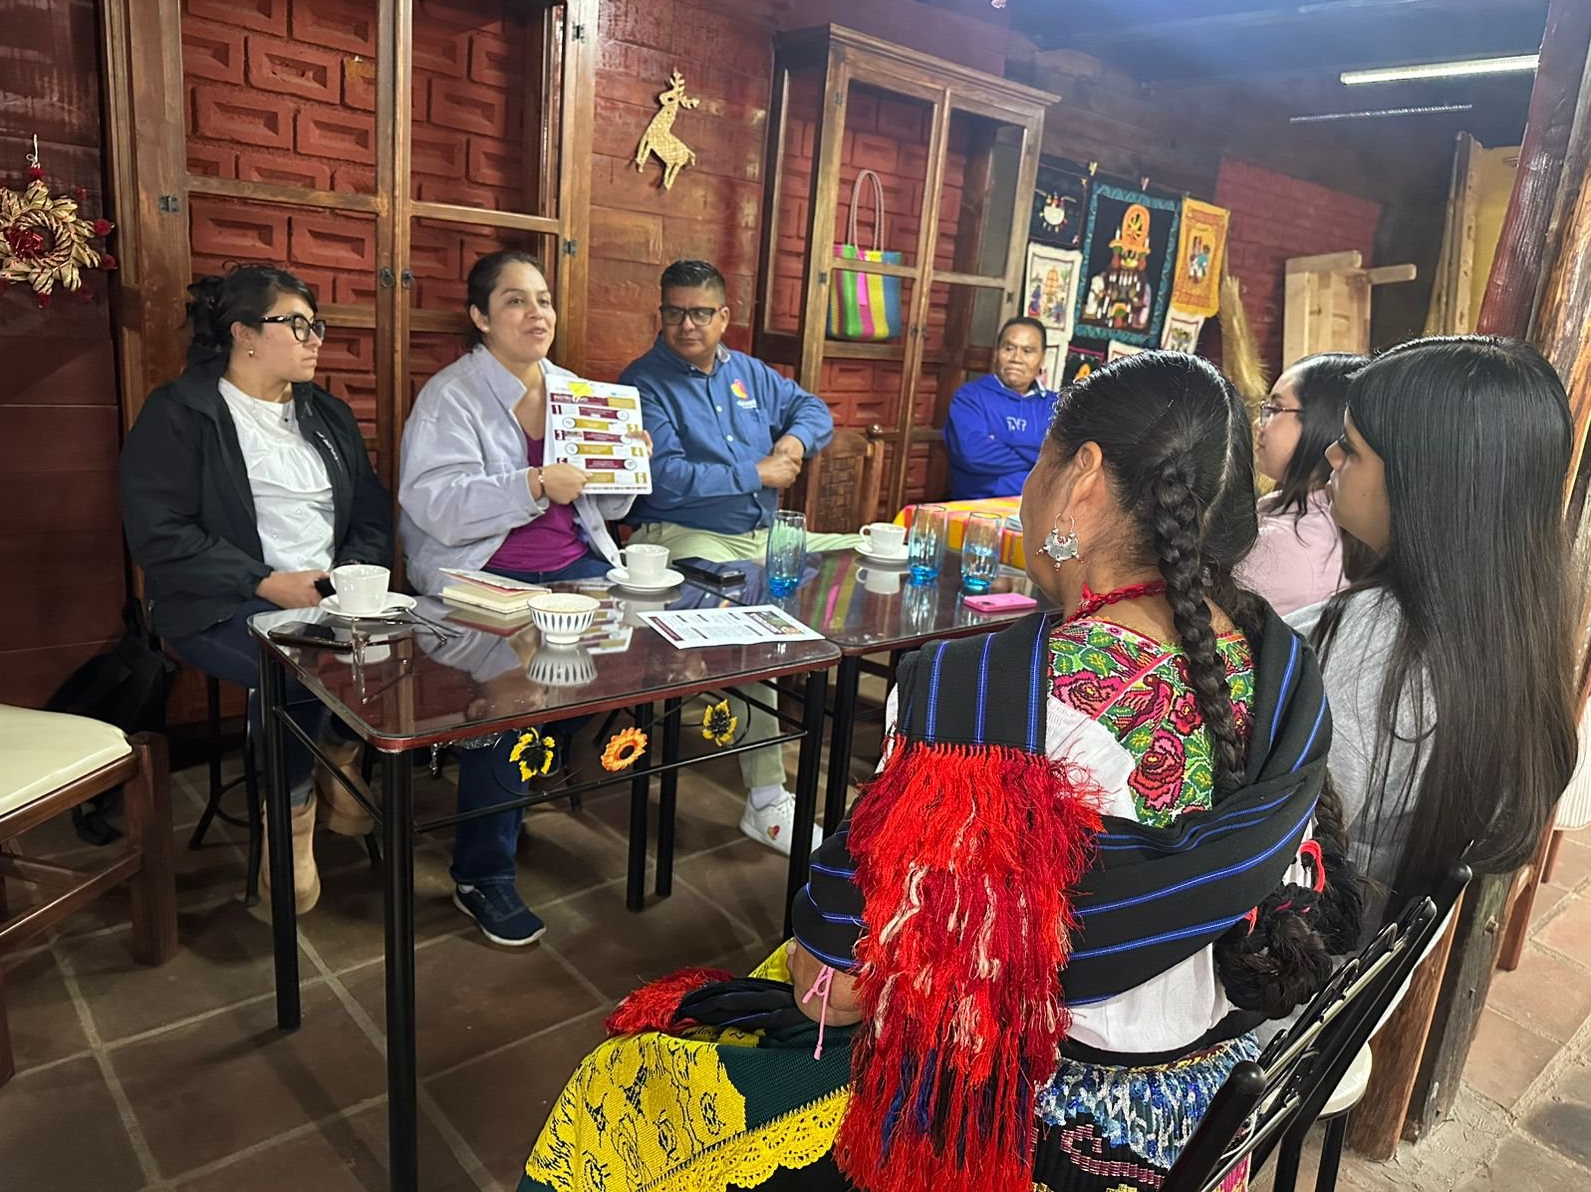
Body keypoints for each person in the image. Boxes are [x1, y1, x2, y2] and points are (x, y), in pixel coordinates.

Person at [522, 352, 1361, 1192]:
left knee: (626, 1086)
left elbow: (837, 991)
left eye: (1040, 462)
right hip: (1205, 1132)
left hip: (1014, 1136)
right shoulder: (1281, 667)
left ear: (1082, 479)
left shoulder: (982, 701)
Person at [120, 264, 393, 913]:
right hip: (214, 602)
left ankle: (338, 755)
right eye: (295, 324)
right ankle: (290, 821)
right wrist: (263, 581)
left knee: (397, 643)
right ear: (243, 333)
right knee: (297, 669)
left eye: (316, 325)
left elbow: (371, 513)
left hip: (324, 595)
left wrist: (351, 576)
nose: (314, 338)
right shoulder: (181, 412)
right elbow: (160, 534)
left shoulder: (326, 412)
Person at [1288, 335, 1578, 929]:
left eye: (1352, 447)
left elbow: (1280, 853)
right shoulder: (1519, 625)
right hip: (1373, 940)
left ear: (1424, 482)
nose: (1332, 456)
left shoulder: (1360, 650)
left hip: (1301, 953)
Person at [399, 250, 642, 947]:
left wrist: (626, 462)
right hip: (483, 579)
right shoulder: (451, 396)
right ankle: (483, 874)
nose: (537, 313)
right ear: (480, 317)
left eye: (543, 299)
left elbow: (607, 507)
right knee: (514, 695)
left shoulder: (575, 391)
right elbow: (432, 503)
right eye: (515, 300)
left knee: (644, 662)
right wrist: (532, 483)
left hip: (577, 571)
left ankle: (521, 777)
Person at [620, 259, 855, 856]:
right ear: (661, 314)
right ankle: (767, 800)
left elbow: (813, 410)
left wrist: (794, 440)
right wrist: (758, 472)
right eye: (675, 312)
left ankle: (890, 757)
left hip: (765, 533)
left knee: (865, 555)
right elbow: (664, 479)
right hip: (685, 536)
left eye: (701, 312)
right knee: (749, 617)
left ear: (724, 316)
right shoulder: (643, 383)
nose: (687, 324)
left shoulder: (749, 373)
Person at [1236, 353, 1366, 614]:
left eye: (1275, 409)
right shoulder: (1332, 517)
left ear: (1322, 421)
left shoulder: (1289, 544)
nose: (1258, 424)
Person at [942, 315, 1057, 499]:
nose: (1016, 358)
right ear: (996, 353)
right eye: (1009, 348)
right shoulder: (970, 397)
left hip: (1040, 509)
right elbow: (973, 455)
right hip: (978, 506)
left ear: (1042, 358)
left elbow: (1064, 459)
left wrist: (1003, 442)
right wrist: (1040, 453)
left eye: (1027, 351)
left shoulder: (1057, 406)